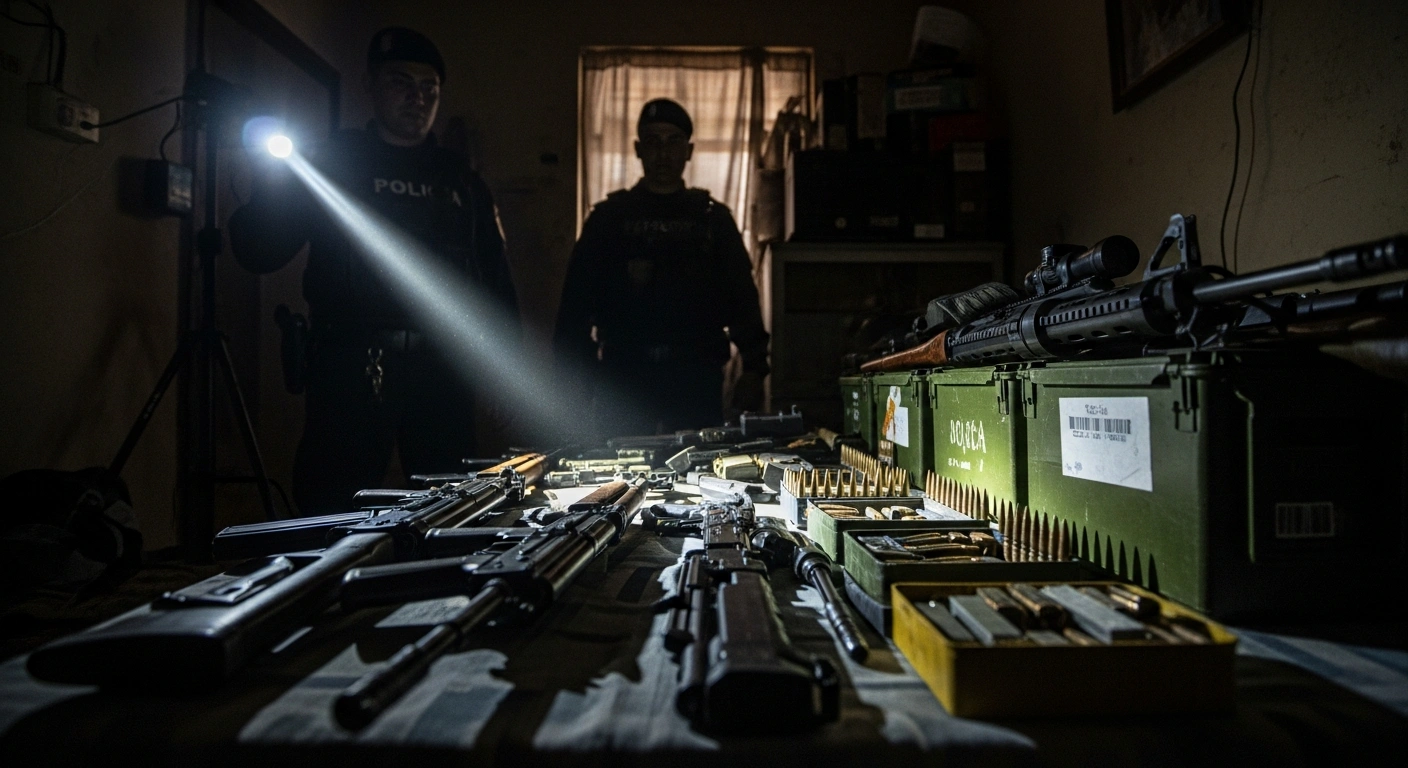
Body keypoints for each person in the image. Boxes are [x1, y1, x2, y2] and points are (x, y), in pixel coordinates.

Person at [228, 28, 519, 515]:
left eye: (430, 88)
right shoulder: (335, 161)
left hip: (440, 369)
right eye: (401, 83)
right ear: (370, 85)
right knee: (330, 508)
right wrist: (270, 186)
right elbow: (259, 251)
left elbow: (493, 279)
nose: (417, 98)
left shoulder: (460, 180)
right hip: (349, 364)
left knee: (454, 511)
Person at [553, 99, 769, 438]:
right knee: (620, 479)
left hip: (694, 378)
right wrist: (579, 378)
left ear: (689, 150)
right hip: (625, 377)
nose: (663, 154)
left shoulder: (712, 220)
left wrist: (755, 368)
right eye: (653, 142)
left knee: (699, 479)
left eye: (673, 142)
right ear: (639, 150)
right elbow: (575, 306)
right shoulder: (609, 220)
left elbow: (742, 297)